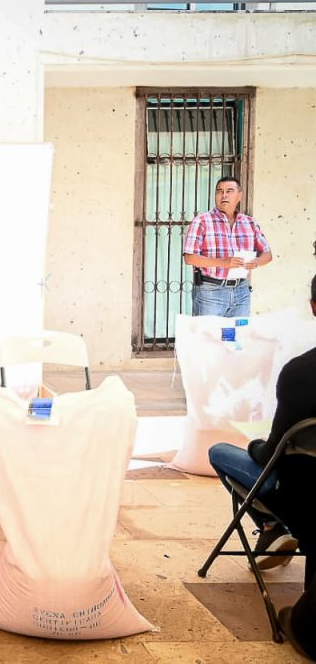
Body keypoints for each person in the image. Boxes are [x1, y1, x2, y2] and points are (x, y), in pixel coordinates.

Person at [208, 273, 316, 659]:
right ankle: (272, 528)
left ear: (313, 307)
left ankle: (271, 524)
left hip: (299, 497)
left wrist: (255, 443)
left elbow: (273, 452)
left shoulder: (301, 372)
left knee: (220, 451)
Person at [183, 176, 273, 317]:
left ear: (240, 196)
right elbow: (189, 258)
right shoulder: (201, 221)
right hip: (210, 291)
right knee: (209, 337)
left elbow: (267, 255)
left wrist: (255, 262)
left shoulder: (249, 223)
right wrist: (222, 263)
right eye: (219, 191)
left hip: (241, 290)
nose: (224, 195)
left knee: (238, 336)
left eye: (229, 191)